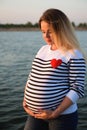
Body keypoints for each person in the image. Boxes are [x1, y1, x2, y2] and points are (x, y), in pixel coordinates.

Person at [23, 8, 86, 130]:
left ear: (62, 30)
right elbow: (32, 76)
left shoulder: (73, 54)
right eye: (43, 31)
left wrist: (55, 113)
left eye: (50, 32)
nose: (46, 36)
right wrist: (25, 100)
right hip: (35, 115)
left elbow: (77, 89)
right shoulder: (42, 50)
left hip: (62, 117)